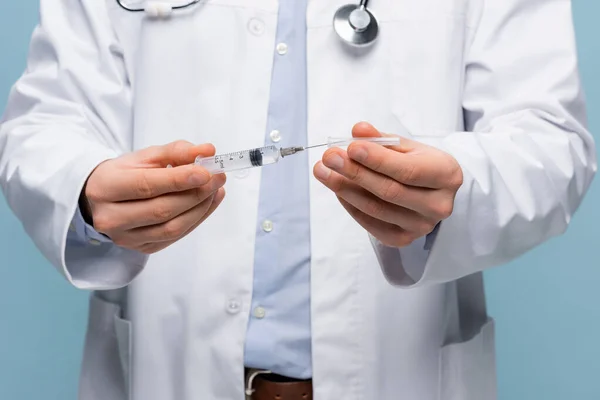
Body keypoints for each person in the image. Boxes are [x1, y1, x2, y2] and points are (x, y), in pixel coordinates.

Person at [0, 0, 595, 399]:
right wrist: (84, 188)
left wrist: (458, 186)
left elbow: (551, 143)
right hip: (168, 367)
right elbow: (49, 119)